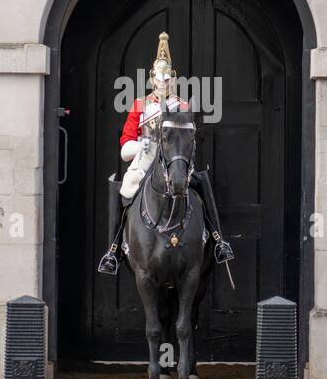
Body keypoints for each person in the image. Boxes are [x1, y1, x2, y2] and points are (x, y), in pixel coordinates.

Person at [97, 32, 235, 275]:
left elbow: (189, 136)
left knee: (202, 183)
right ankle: (114, 249)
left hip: (175, 160)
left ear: (173, 79)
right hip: (146, 158)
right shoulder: (140, 104)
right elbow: (126, 142)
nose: (164, 82)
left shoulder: (182, 105)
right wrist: (141, 146)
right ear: (152, 79)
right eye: (159, 78)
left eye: (168, 78)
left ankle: (218, 240)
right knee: (126, 185)